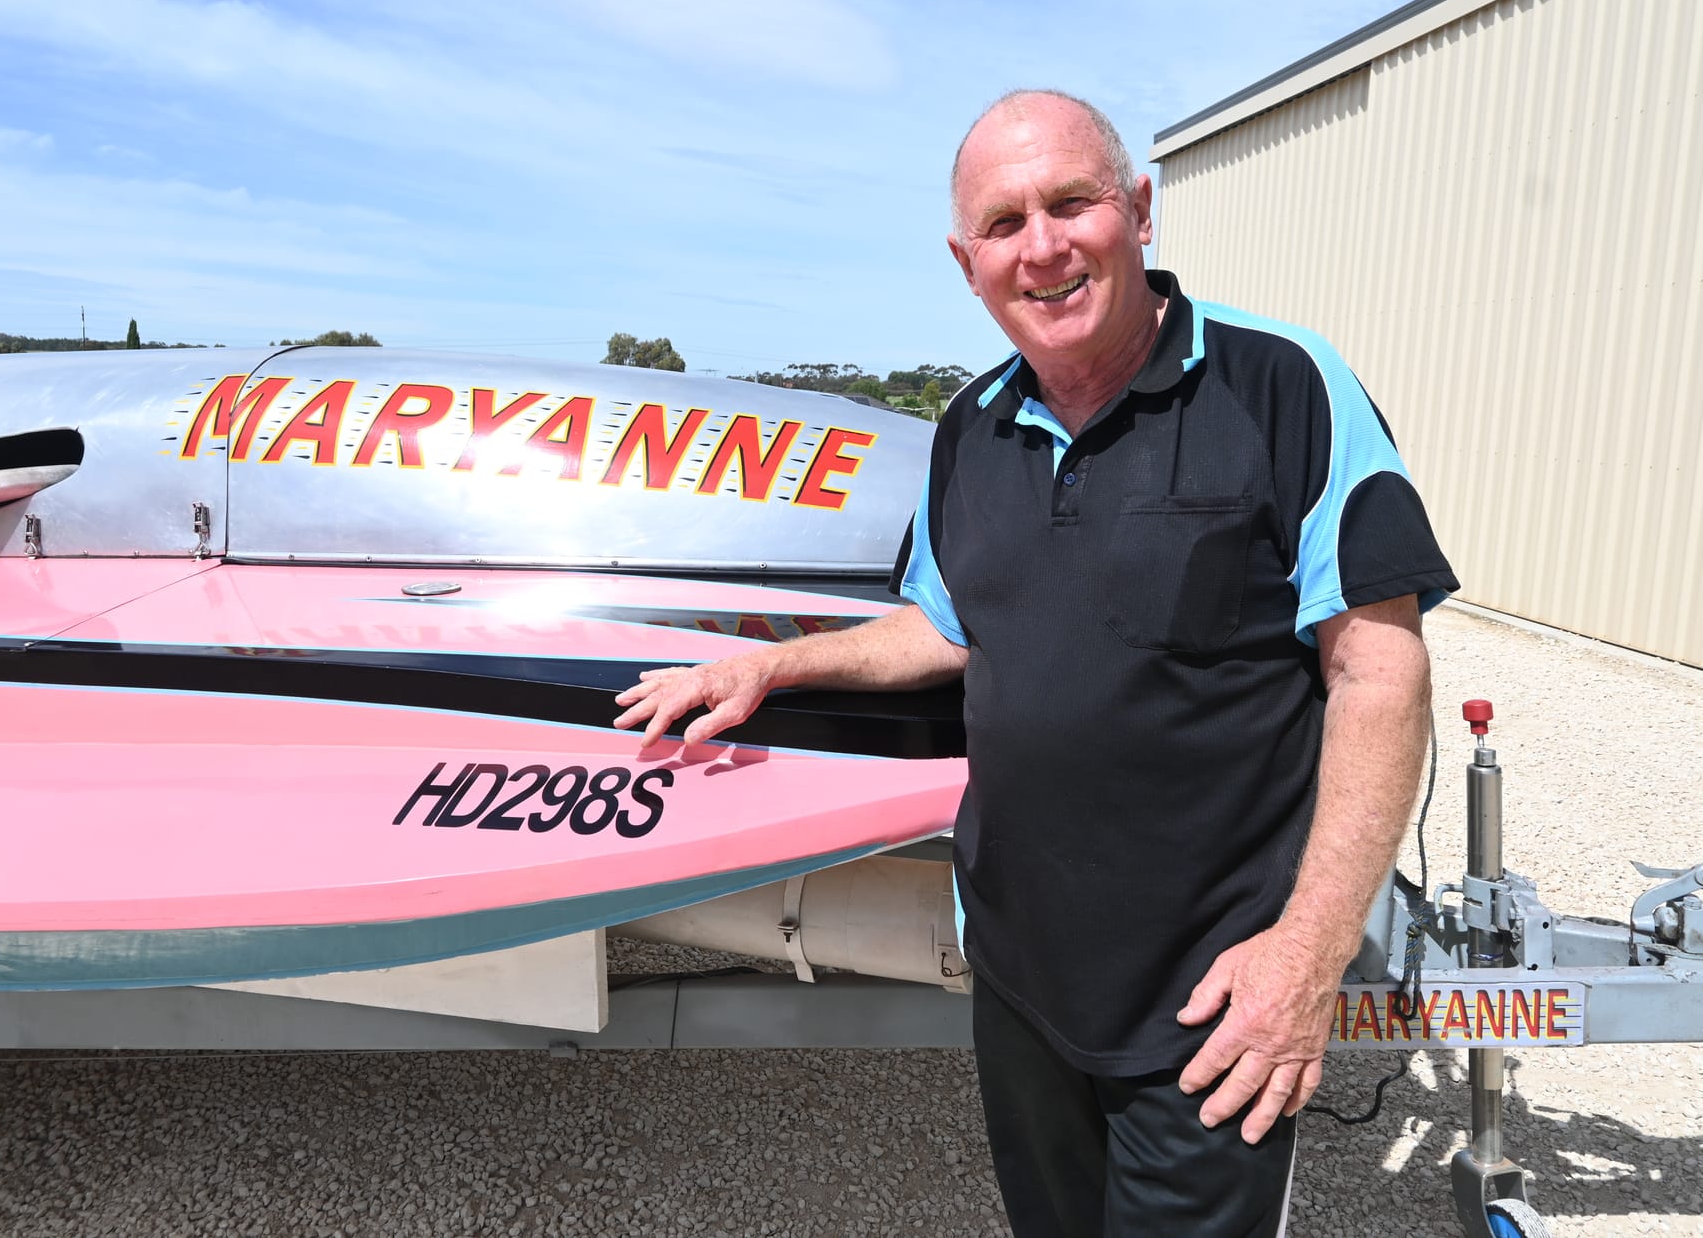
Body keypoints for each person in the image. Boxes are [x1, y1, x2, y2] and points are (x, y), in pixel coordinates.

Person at [614, 89, 1458, 1237]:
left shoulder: (1282, 386)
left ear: (1138, 211)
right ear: (965, 263)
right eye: (1003, 223)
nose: (1042, 246)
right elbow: (947, 627)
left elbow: (1379, 676)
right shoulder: (969, 424)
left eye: (1071, 203)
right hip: (1019, 976)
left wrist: (1307, 953)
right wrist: (777, 669)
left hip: (1213, 993)